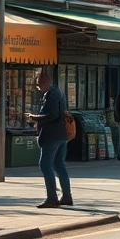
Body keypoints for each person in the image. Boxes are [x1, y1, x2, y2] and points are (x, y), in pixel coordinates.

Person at [25, 70, 73, 209]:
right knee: (59, 165)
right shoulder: (58, 93)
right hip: (61, 134)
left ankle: (52, 198)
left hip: (52, 136)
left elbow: (52, 115)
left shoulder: (51, 95)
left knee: (45, 165)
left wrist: (34, 118)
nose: (38, 88)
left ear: (45, 82)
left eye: (38, 85)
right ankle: (67, 196)